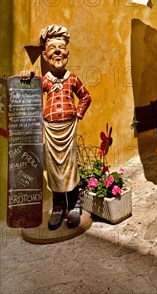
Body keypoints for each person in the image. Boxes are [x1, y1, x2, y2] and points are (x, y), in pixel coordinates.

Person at [39, 25, 91, 230]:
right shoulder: (44, 81)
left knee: (70, 165)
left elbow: (86, 96)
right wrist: (27, 77)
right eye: (53, 48)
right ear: (45, 55)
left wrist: (78, 113)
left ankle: (74, 205)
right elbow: (31, 95)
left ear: (68, 53)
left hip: (69, 128)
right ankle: (58, 206)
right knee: (53, 168)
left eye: (61, 48)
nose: (58, 52)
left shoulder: (72, 78)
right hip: (51, 130)